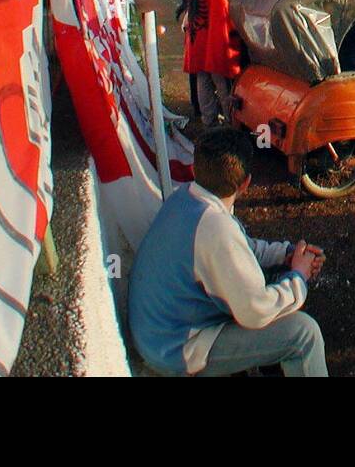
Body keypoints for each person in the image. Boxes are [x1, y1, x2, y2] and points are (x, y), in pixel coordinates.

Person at [128, 128, 328, 377]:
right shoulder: (216, 228)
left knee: (272, 283)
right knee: (303, 334)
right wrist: (298, 275)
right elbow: (255, 312)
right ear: (246, 183)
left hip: (158, 330)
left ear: (194, 169)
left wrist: (285, 255)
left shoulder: (187, 198)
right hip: (174, 349)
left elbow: (242, 247)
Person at [177, 0, 240, 127]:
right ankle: (230, 120)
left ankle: (208, 120)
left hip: (197, 37)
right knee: (221, 81)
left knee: (202, 80)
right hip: (212, 39)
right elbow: (222, 10)